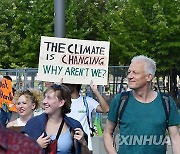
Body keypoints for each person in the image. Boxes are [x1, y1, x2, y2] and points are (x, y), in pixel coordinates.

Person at [103, 55, 180, 154]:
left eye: (135, 73)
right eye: (129, 72)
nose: (130, 76)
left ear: (149, 77)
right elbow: (107, 133)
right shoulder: (120, 100)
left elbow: (175, 138)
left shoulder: (166, 102)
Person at [21, 84, 90, 154]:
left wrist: (83, 144)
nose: (44, 101)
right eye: (45, 97)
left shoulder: (74, 126)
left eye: (49, 98)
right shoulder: (33, 123)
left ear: (61, 102)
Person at [65, 81, 109, 152]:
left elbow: (106, 109)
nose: (65, 86)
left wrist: (95, 91)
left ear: (75, 85)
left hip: (85, 145)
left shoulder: (87, 101)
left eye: (67, 83)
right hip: (67, 145)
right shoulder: (62, 102)